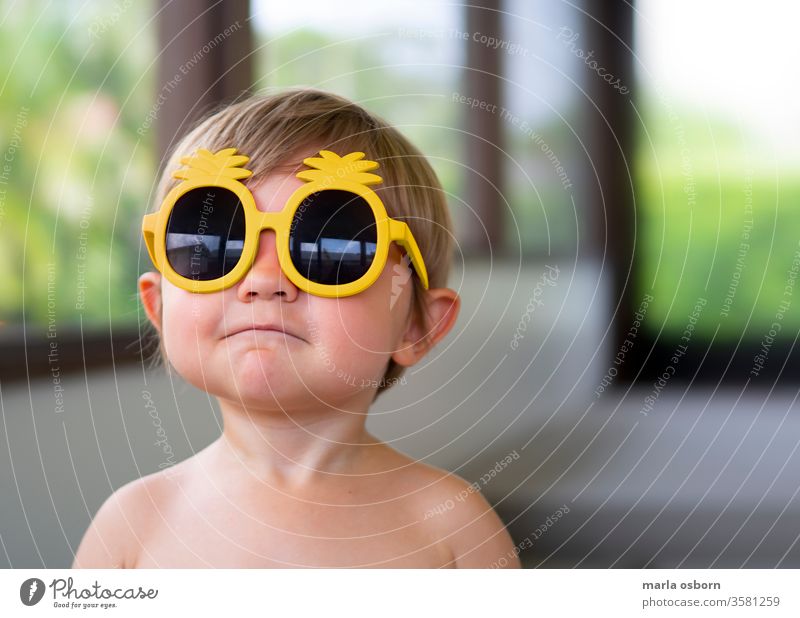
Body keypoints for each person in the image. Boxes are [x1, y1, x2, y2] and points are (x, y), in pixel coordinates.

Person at [73, 88, 520, 568]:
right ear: (157, 306)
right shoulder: (133, 526)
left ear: (416, 326)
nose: (264, 279)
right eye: (215, 241)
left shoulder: (453, 529)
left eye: (329, 243)